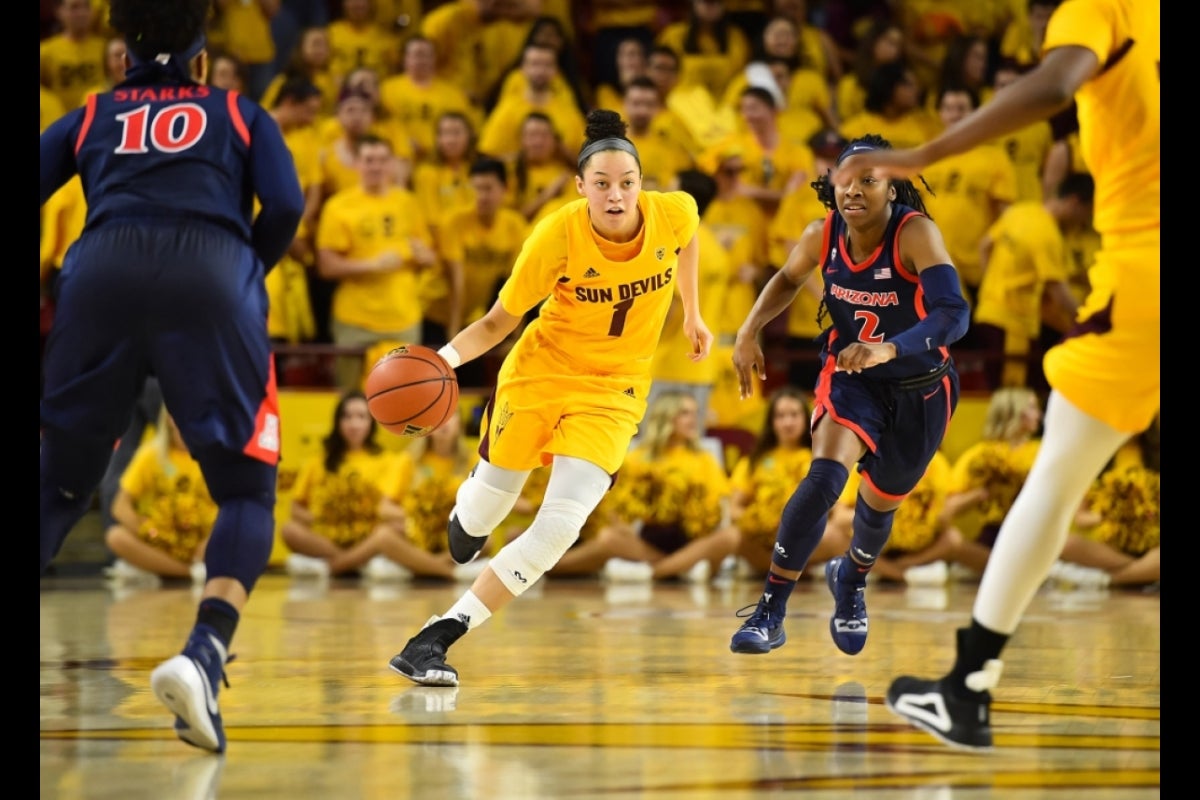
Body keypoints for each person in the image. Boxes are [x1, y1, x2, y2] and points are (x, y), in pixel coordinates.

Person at [834, 0, 1159, 750]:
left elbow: (1055, 84)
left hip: (1145, 274)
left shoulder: (1103, 9)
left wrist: (922, 156)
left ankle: (968, 686)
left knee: (1056, 479)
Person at [40, 0, 305, 755]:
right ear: (200, 60)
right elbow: (286, 203)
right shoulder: (239, 111)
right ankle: (203, 652)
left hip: (101, 271)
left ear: (120, 55)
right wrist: (244, 268)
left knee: (60, 483)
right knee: (246, 487)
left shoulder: (92, 114)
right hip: (213, 268)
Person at [386, 109, 714, 687]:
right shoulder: (554, 235)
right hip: (540, 374)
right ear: (581, 187)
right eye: (604, 185)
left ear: (643, 182)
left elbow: (688, 242)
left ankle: (437, 635)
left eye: (628, 183)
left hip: (614, 391)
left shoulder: (674, 211)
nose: (617, 196)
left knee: (562, 524)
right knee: (482, 517)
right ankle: (471, 507)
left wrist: (692, 312)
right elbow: (495, 323)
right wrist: (444, 362)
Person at [725, 132, 969, 660]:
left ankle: (851, 579)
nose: (854, 191)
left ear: (892, 188)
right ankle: (771, 609)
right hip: (851, 377)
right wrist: (749, 330)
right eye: (846, 180)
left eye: (869, 180)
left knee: (878, 511)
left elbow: (955, 315)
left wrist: (889, 349)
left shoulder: (915, 233)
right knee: (825, 477)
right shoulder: (821, 234)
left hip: (921, 389)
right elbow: (787, 279)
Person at [280, 390, 410, 578]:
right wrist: (327, 517)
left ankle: (333, 566)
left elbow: (386, 509)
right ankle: (355, 562)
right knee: (289, 530)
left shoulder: (388, 460)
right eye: (347, 417)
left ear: (371, 422)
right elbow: (296, 510)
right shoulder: (319, 461)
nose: (354, 424)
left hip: (369, 535)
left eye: (361, 417)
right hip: (328, 537)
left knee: (393, 531)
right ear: (338, 422)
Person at [104, 407, 216, 586]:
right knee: (116, 536)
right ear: (168, 418)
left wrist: (209, 540)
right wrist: (148, 532)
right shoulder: (151, 455)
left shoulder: (214, 457)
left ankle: (163, 570)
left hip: (202, 544)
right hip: (163, 541)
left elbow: (229, 507)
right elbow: (119, 506)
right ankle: (188, 573)